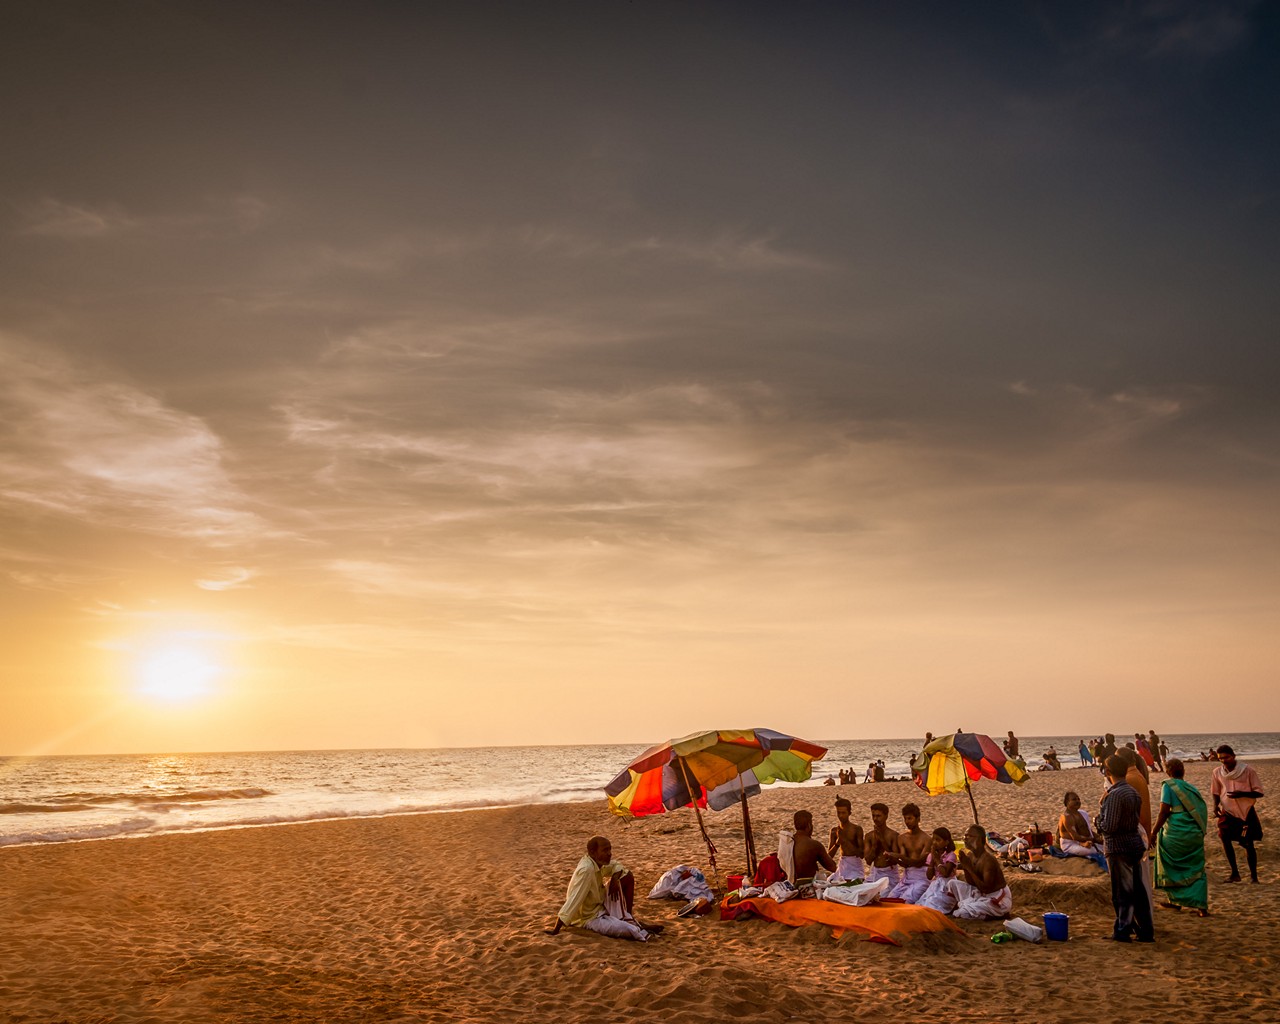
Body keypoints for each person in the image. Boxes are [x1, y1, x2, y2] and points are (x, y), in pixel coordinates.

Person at [547, 836, 658, 941]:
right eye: (605, 850)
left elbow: (617, 865)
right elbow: (573, 900)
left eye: (610, 850)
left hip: (600, 905)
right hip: (588, 917)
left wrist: (615, 878)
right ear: (593, 853)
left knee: (627, 876)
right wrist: (555, 930)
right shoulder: (587, 870)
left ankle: (630, 917)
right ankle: (634, 925)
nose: (609, 854)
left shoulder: (598, 862)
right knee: (628, 930)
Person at [1097, 755, 1155, 942]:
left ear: (1108, 772)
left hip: (1119, 847)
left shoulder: (1115, 795)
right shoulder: (1131, 792)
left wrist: (1098, 822)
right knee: (1138, 892)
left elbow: (1110, 826)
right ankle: (1145, 930)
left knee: (1122, 892)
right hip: (1134, 844)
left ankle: (1123, 930)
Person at [1152, 758, 1208, 915]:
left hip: (1175, 833)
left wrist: (1153, 832)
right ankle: (1200, 907)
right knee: (1195, 867)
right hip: (1194, 833)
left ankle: (1176, 900)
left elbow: (1164, 812)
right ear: (1183, 771)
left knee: (1171, 865)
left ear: (1168, 771)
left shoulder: (1168, 786)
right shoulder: (1191, 788)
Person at [1211, 744, 1264, 884]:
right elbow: (1216, 791)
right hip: (1227, 812)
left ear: (1233, 756)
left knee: (1248, 843)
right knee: (1225, 839)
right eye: (1220, 758)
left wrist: (1242, 794)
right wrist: (1215, 805)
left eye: (1226, 757)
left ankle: (1254, 877)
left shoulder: (1247, 770)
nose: (1223, 760)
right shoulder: (1217, 772)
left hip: (1245, 812)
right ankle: (1235, 873)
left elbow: (1259, 792)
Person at [952, 824, 1012, 919]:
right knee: (952, 883)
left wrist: (969, 868)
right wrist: (965, 867)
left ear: (980, 840)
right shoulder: (971, 855)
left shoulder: (988, 860)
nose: (965, 839)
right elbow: (971, 882)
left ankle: (998, 915)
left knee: (962, 913)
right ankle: (981, 910)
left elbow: (986, 888)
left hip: (997, 898)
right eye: (965, 836)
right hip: (982, 894)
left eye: (969, 836)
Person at [888, 803, 931, 902]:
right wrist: (893, 858)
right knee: (890, 898)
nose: (907, 822)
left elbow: (919, 862)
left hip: (921, 878)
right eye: (905, 819)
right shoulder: (902, 838)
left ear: (918, 819)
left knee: (906, 900)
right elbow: (905, 863)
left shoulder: (926, 839)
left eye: (910, 818)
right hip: (906, 877)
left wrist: (897, 856)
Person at [1057, 790, 1106, 868]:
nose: (1077, 801)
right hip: (1070, 844)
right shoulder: (1066, 817)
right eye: (1074, 799)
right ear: (1067, 802)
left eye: (1078, 799)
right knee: (1094, 851)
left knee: (1107, 847)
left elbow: (1089, 831)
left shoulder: (1083, 813)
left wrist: (1099, 838)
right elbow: (1075, 837)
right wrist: (1093, 840)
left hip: (1086, 841)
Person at [917, 827, 960, 913]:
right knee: (922, 903)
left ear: (946, 842)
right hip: (935, 885)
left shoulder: (951, 855)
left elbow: (945, 874)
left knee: (933, 906)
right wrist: (932, 858)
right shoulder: (932, 855)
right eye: (933, 839)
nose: (934, 842)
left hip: (947, 886)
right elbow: (929, 876)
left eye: (938, 840)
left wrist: (937, 859)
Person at [791, 809, 835, 884]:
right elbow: (832, 867)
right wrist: (836, 845)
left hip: (790, 884)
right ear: (809, 825)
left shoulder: (788, 841)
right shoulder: (814, 844)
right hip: (808, 886)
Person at [827, 798, 865, 883]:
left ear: (849, 813)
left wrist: (846, 841)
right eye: (838, 813)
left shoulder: (857, 829)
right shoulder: (834, 831)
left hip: (855, 865)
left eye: (843, 813)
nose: (840, 816)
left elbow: (862, 854)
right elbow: (829, 857)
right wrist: (837, 843)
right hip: (842, 864)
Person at [864, 802, 901, 887]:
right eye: (873, 816)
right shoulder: (869, 836)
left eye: (878, 816)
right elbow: (868, 861)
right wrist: (874, 846)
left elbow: (895, 860)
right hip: (874, 873)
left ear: (886, 816)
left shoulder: (894, 835)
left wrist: (882, 841)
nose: (875, 819)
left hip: (889, 874)